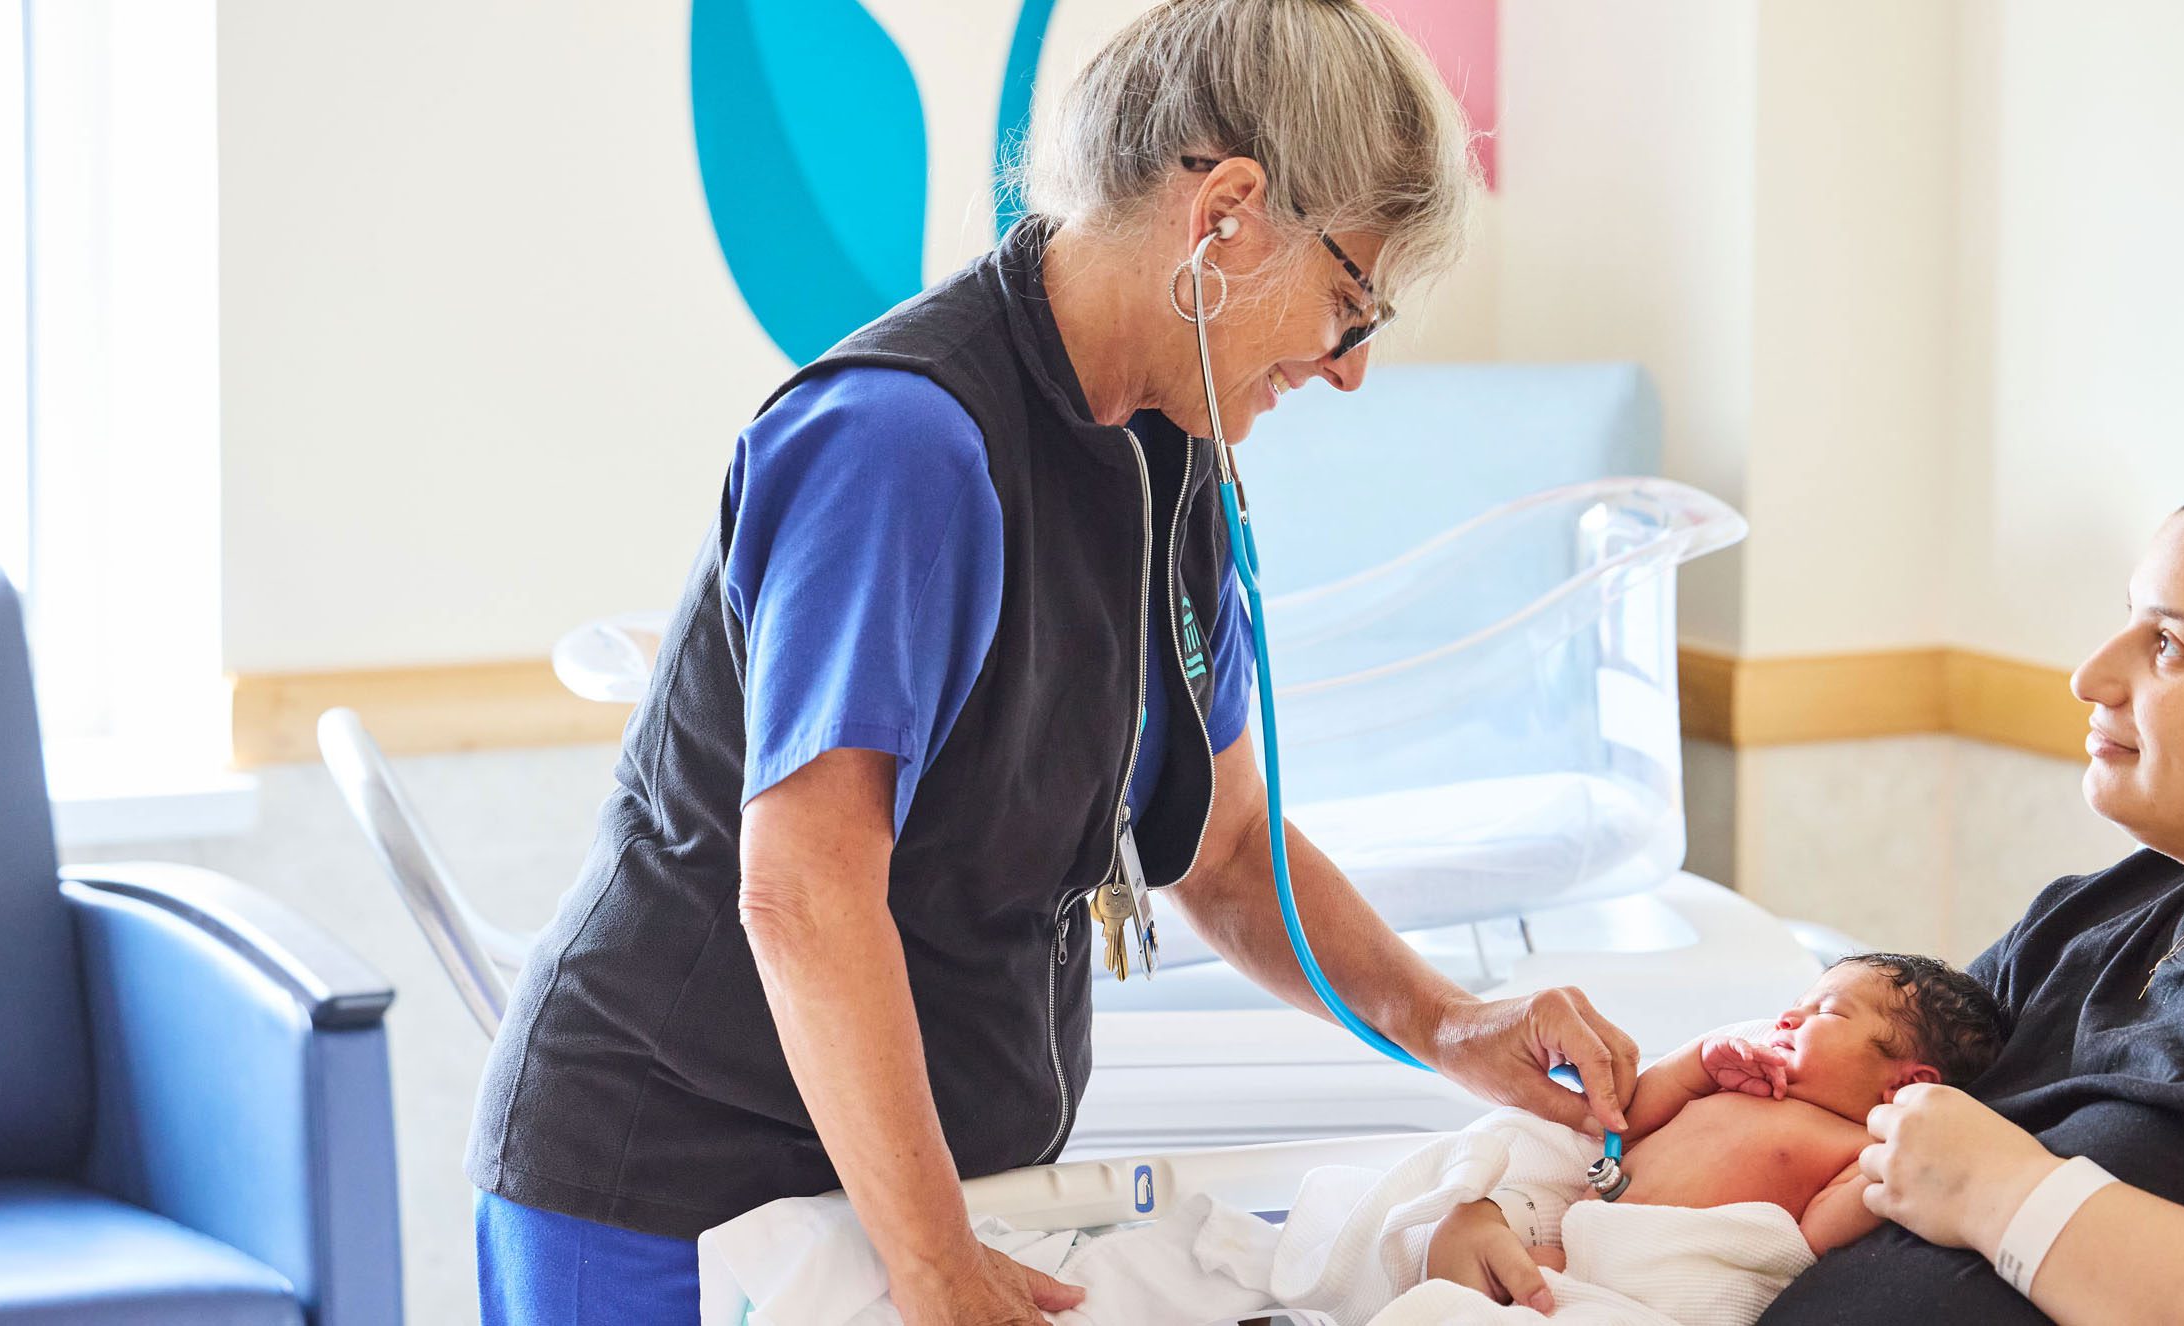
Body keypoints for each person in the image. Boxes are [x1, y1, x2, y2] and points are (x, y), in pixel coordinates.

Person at [464, 4, 1646, 1322]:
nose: (1350, 367)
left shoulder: (1168, 452)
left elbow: (1231, 850)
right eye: (1349, 298)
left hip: (918, 1194)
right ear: (1229, 213)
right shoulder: (903, 442)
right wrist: (934, 1265)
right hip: (672, 1190)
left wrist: (1450, 1024)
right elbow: (802, 893)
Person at [1756, 458, 2184, 1323]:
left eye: (2167, 645)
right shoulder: (2098, 912)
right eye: (2127, 623)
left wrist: (2008, 1198)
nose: (2090, 677)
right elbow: (1840, 1104)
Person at [1427, 955, 2007, 1311]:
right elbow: (1624, 1122)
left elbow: (1819, 1234)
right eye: (1795, 1004)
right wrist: (1696, 1065)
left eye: (1827, 1012)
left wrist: (1905, 1153)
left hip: (1659, 1287)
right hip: (1577, 1245)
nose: (1788, 1018)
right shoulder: (1743, 1080)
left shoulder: (1861, 1149)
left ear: (1904, 1084)